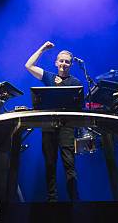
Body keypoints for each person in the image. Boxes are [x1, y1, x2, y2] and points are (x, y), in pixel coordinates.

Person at [25, 41, 81, 201]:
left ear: (70, 64)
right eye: (61, 60)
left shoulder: (75, 83)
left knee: (69, 164)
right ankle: (52, 200)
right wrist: (42, 48)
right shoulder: (49, 77)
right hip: (48, 126)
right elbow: (28, 65)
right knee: (50, 164)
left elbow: (79, 107)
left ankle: (74, 200)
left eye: (67, 61)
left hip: (67, 128)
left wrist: (62, 85)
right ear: (56, 63)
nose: (63, 63)